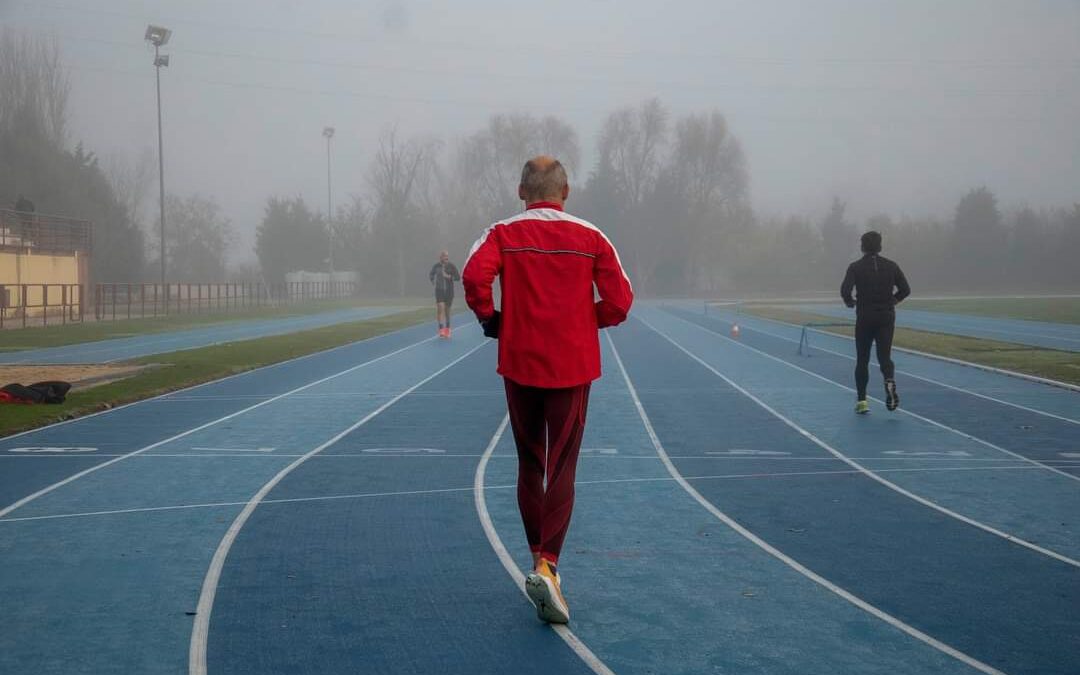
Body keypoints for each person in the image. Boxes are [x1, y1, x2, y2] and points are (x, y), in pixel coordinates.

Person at [463, 156, 633, 624]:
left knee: (530, 462)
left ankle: (538, 558)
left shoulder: (501, 232)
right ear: (567, 191)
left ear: (522, 191)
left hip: (520, 363)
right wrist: (584, 321)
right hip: (572, 366)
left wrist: (493, 320)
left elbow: (474, 278)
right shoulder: (592, 236)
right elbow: (620, 301)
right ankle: (548, 565)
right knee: (562, 467)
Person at [841, 230, 910, 414]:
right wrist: (893, 300)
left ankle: (862, 401)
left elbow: (845, 290)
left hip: (865, 315)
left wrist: (850, 302)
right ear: (880, 246)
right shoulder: (892, 266)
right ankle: (889, 379)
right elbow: (905, 289)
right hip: (886, 316)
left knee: (862, 359)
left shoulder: (855, 267)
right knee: (884, 357)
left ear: (862, 246)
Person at [429, 250, 460, 338]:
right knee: (440, 308)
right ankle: (441, 329)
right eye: (443, 256)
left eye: (446, 256)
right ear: (440, 257)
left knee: (447, 311)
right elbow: (431, 274)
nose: (445, 257)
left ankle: (448, 329)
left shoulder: (451, 266)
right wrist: (432, 280)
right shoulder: (436, 266)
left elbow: (458, 277)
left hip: (449, 291)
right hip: (439, 290)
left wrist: (448, 276)